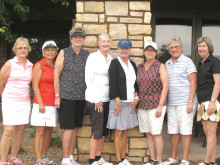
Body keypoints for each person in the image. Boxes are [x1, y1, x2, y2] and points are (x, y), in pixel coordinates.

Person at [54, 26, 89, 165]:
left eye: (80, 37)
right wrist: (57, 95)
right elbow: (56, 74)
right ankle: (65, 159)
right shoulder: (64, 52)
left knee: (75, 128)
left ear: (84, 39)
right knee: (68, 128)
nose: (78, 39)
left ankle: (70, 156)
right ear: (70, 39)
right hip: (67, 96)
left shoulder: (87, 54)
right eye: (75, 37)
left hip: (81, 97)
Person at [164, 37, 197, 165]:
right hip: (172, 102)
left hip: (186, 102)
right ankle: (173, 157)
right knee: (173, 130)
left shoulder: (188, 62)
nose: (174, 49)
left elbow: (193, 82)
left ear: (181, 48)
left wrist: (190, 101)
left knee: (186, 130)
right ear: (169, 50)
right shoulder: (167, 63)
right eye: (171, 47)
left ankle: (185, 159)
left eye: (176, 47)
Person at [0, 37, 33, 165]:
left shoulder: (31, 65)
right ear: (15, 50)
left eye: (25, 48)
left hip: (24, 102)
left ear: (28, 50)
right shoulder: (10, 64)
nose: (23, 50)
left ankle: (13, 157)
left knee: (20, 130)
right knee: (9, 130)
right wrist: (5, 98)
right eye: (20, 48)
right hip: (10, 102)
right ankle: (2, 160)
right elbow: (1, 82)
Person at [107, 39, 139, 165]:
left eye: (126, 48)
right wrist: (117, 100)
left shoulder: (132, 64)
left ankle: (124, 158)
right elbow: (112, 83)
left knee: (125, 131)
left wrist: (136, 99)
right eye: (122, 48)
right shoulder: (114, 63)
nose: (124, 50)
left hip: (130, 103)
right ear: (119, 49)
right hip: (118, 102)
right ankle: (118, 159)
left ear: (130, 50)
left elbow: (136, 84)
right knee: (118, 131)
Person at [137, 41, 168, 165]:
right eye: (147, 50)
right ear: (144, 52)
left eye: (152, 50)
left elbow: (165, 87)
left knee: (156, 133)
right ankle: (152, 159)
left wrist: (160, 106)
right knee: (148, 134)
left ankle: (159, 160)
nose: (149, 52)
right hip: (142, 105)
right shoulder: (139, 67)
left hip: (156, 105)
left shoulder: (160, 66)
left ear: (156, 53)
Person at [85, 33, 113, 165]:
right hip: (95, 99)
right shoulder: (93, 57)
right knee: (97, 130)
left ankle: (98, 158)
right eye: (103, 41)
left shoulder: (111, 58)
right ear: (98, 43)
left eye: (108, 41)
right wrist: (97, 99)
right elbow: (88, 79)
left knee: (103, 131)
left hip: (107, 99)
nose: (106, 43)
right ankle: (91, 160)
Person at [31, 40, 58, 165]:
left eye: (53, 50)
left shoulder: (57, 65)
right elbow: (35, 85)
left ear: (56, 52)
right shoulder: (39, 65)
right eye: (48, 50)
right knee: (40, 131)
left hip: (53, 104)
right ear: (43, 52)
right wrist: (40, 103)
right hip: (41, 103)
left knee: (48, 131)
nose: (50, 52)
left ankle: (44, 155)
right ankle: (38, 159)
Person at [196, 37, 220, 165]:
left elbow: (218, 83)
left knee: (211, 132)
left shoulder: (214, 62)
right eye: (199, 46)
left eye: (204, 46)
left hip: (211, 101)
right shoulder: (201, 62)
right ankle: (212, 161)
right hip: (203, 101)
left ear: (209, 47)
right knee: (207, 131)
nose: (201, 48)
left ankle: (207, 162)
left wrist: (212, 101)